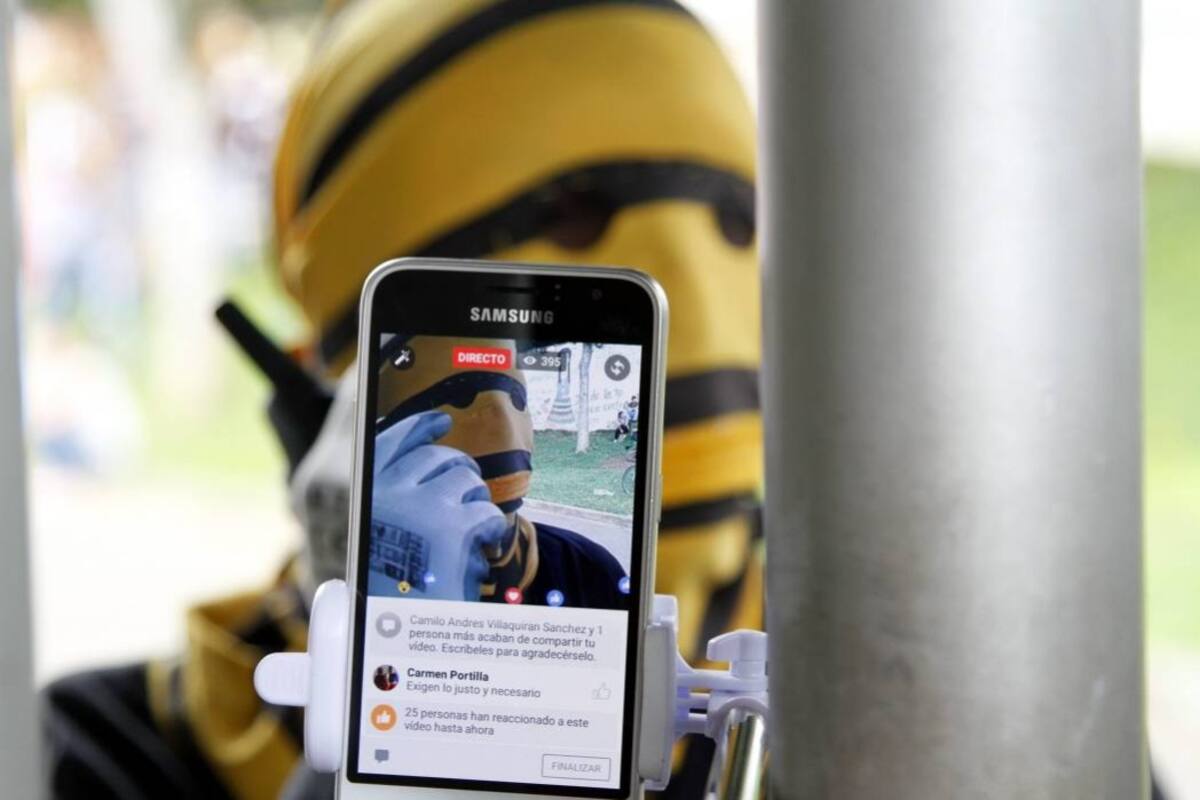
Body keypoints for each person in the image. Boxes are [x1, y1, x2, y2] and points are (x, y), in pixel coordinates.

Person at [42, 2, 763, 798]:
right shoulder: (87, 755)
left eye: (738, 221)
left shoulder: (842, 707)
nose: (695, 290)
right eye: (564, 217)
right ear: (328, 397)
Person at [369, 335, 628, 611]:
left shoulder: (590, 569)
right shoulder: (359, 567)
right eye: (459, 398)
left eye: (517, 400)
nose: (503, 426)